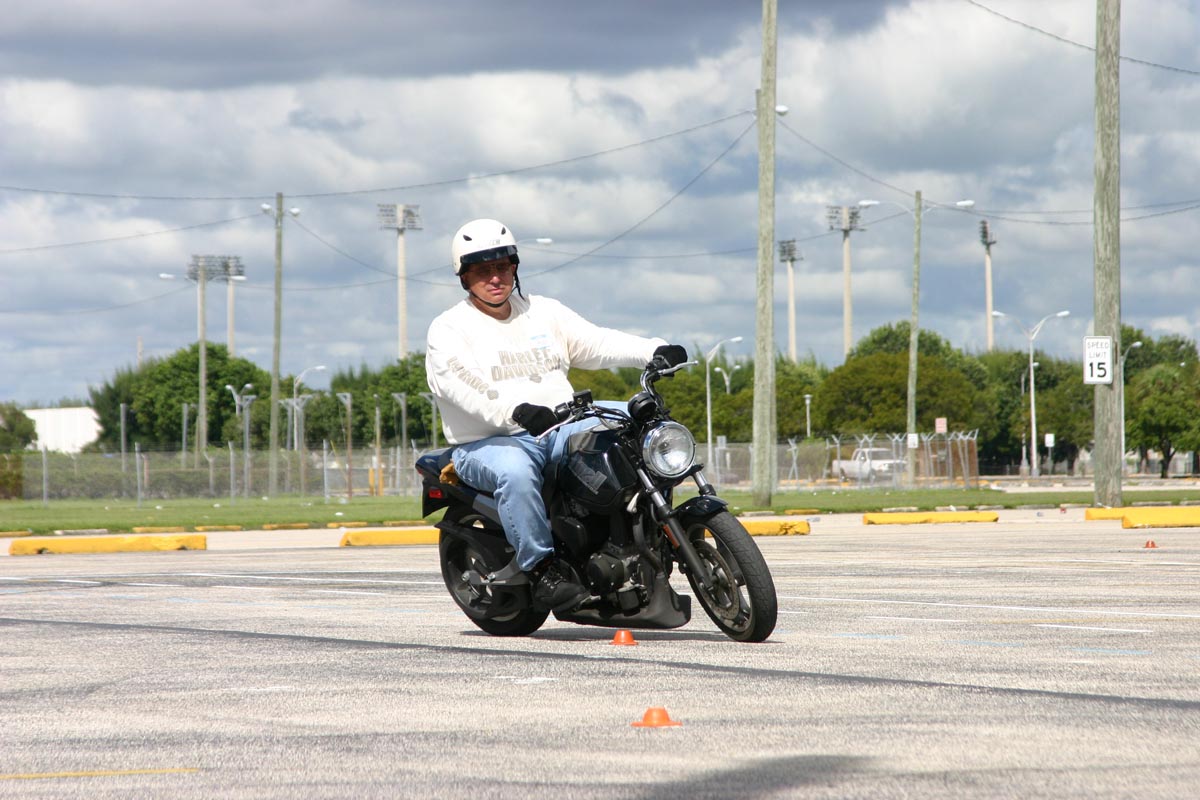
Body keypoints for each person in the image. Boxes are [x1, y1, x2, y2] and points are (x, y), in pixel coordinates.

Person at [425, 218, 687, 613]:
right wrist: (515, 411)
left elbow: (596, 341)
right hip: (489, 442)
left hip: (560, 427)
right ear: (464, 276)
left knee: (640, 422)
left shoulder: (542, 312)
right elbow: (463, 386)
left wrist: (654, 350)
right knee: (515, 472)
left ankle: (649, 529)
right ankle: (542, 569)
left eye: (502, 266)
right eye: (481, 270)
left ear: (514, 267)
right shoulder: (448, 329)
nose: (494, 277)